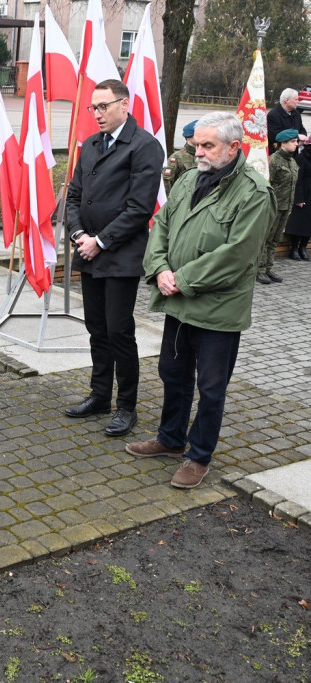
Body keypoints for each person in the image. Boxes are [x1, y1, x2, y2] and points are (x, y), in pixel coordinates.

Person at [129, 111, 276, 489]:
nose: (199, 153)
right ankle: (170, 439)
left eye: (208, 146)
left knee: (211, 388)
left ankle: (199, 456)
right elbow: (161, 226)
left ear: (234, 148)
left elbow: (238, 254)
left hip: (218, 310)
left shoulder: (255, 193)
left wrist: (181, 279)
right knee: (172, 374)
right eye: (197, 145)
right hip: (177, 302)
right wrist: (160, 268)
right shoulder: (190, 179)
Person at [64, 79, 164, 438]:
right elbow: (74, 196)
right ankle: (100, 395)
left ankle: (127, 407)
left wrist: (100, 242)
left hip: (119, 256)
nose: (97, 114)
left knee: (120, 332)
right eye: (94, 107)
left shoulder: (144, 146)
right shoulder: (90, 144)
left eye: (104, 106)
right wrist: (78, 235)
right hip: (89, 252)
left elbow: (139, 208)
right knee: (97, 330)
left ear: (125, 104)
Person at [257, 129, 299, 284]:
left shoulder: (292, 161)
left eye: (296, 141)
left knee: (275, 239)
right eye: (293, 141)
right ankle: (260, 269)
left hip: (285, 207)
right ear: (283, 143)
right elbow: (266, 185)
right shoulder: (273, 161)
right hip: (272, 207)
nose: (296, 144)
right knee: (266, 238)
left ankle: (268, 267)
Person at [285, 142, 311, 260]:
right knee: (299, 223)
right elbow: (297, 179)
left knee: (309, 225)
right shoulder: (301, 158)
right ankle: (294, 249)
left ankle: (303, 248)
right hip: (303, 194)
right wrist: (299, 198)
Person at [162, 119, 197, 193]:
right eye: (197, 134)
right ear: (188, 136)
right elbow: (167, 183)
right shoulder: (177, 157)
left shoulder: (206, 155)